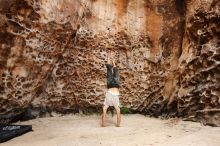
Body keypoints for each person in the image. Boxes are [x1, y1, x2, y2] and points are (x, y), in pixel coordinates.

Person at [102, 52, 121, 127]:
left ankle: (110, 57)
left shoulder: (111, 104)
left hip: (113, 89)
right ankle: (110, 57)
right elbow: (118, 113)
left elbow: (104, 112)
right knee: (110, 70)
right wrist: (118, 125)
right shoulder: (110, 104)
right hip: (111, 89)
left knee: (114, 70)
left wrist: (103, 125)